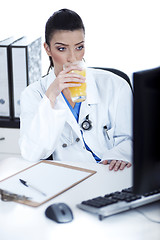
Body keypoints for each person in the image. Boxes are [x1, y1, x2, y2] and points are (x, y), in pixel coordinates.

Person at [19, 8, 132, 171]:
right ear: (47, 49)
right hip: (69, 177)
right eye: (62, 48)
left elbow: (133, 138)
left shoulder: (115, 85)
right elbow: (33, 153)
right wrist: (51, 95)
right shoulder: (33, 94)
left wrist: (119, 155)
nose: (72, 57)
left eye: (79, 47)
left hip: (111, 172)